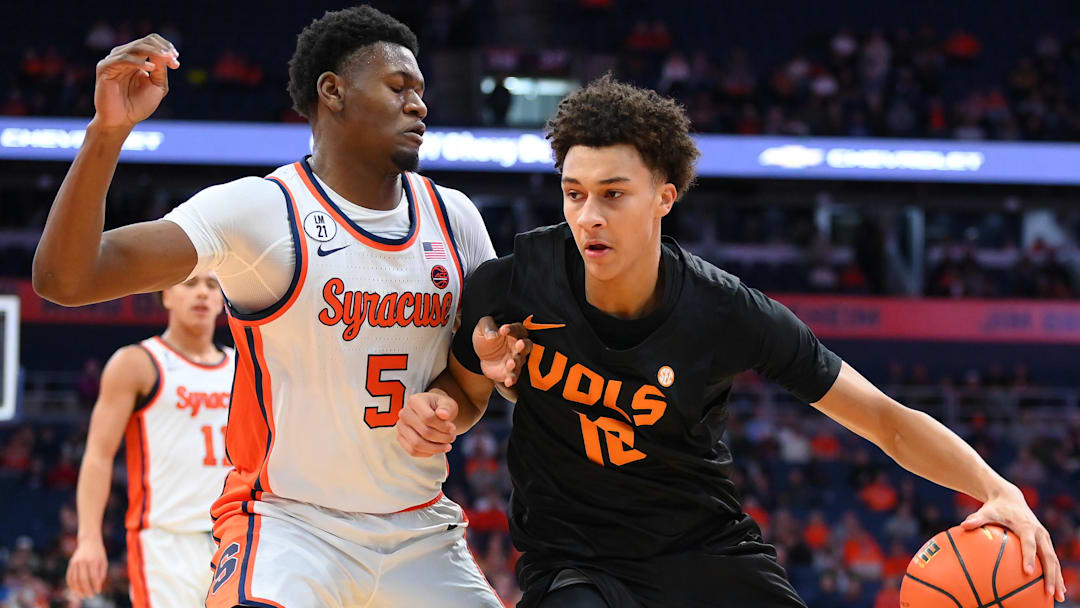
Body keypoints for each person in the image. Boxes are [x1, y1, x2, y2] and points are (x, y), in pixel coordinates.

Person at [406, 75, 1067, 607]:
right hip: (576, 563)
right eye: (573, 194)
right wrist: (466, 394)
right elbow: (458, 396)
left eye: (613, 194)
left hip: (704, 551)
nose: (588, 216)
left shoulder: (725, 310)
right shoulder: (516, 284)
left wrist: (995, 488)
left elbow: (884, 421)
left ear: (664, 197)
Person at [35, 6, 515, 607]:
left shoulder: (457, 218)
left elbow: (474, 388)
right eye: (398, 87)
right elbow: (66, 278)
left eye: (420, 92)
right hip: (289, 527)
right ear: (332, 91)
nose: (419, 105)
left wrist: (446, 402)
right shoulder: (259, 211)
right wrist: (106, 133)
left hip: (419, 531)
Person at [66, 273, 233, 607]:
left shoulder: (245, 365)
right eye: (190, 284)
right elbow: (98, 454)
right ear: (166, 294)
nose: (202, 293)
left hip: (235, 535)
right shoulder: (136, 363)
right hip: (165, 541)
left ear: (223, 300)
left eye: (212, 286)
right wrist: (88, 538)